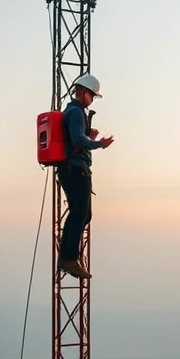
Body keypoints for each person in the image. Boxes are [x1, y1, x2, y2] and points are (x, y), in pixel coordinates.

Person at [56, 73, 114, 280]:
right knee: (79, 214)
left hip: (72, 169)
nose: (92, 100)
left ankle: (68, 256)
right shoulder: (75, 112)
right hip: (75, 170)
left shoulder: (72, 111)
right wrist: (98, 143)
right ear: (82, 92)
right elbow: (77, 141)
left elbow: (76, 140)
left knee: (82, 214)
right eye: (91, 95)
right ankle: (68, 258)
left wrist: (89, 137)